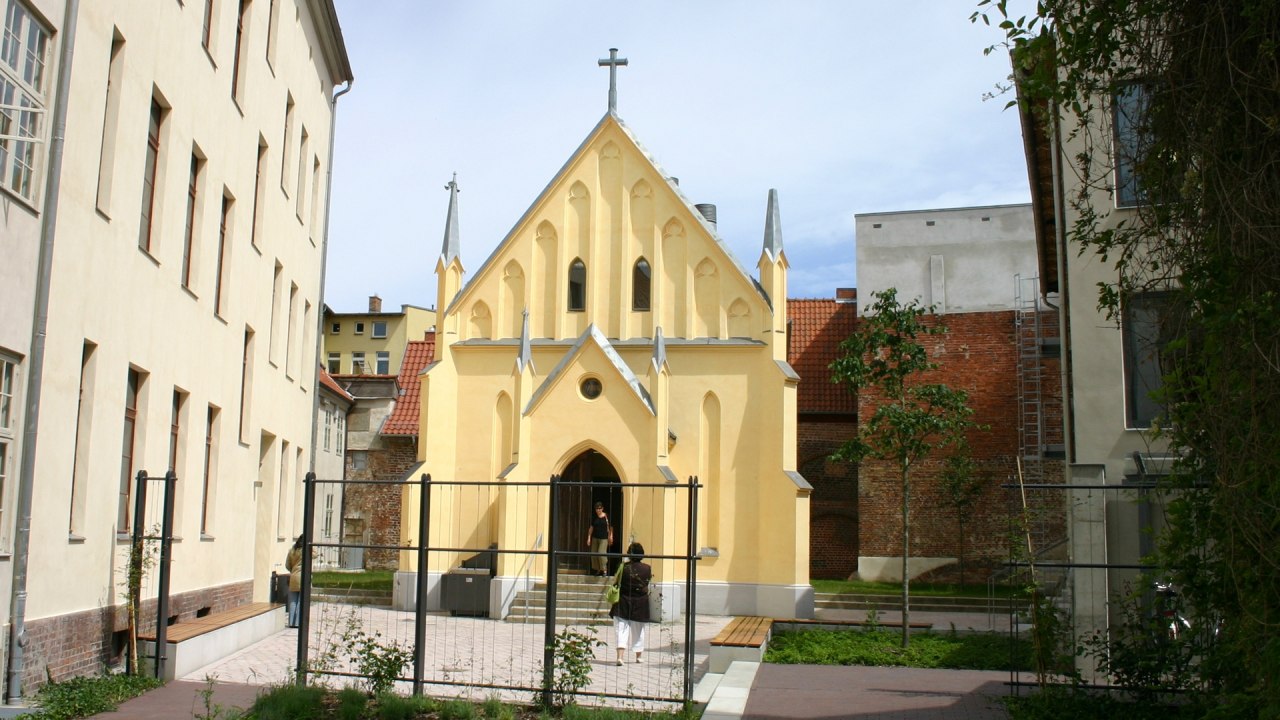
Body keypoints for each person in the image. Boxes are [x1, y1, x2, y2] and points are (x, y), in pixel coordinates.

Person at [608, 541, 652, 665]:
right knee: (639, 630)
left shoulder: (624, 567)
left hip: (623, 600)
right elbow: (647, 583)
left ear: (629, 554)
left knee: (621, 629)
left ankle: (620, 657)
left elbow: (616, 581)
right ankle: (638, 656)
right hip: (640, 602)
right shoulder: (647, 568)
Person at [585, 502, 612, 576]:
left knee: (601, 553)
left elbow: (610, 527)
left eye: (600, 508)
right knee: (594, 554)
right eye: (597, 508)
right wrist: (589, 538)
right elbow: (591, 528)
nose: (598, 510)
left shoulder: (606, 516)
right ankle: (598, 570)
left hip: (604, 538)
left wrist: (611, 536)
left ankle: (604, 569)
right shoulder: (594, 518)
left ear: (602, 508)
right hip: (595, 538)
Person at [285, 535, 303, 628]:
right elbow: (315, 555)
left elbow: (287, 565)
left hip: (293, 576)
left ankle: (291, 622)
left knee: (293, 601)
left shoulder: (292, 550)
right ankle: (298, 622)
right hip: (303, 577)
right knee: (301, 601)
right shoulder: (306, 550)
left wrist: (293, 570)